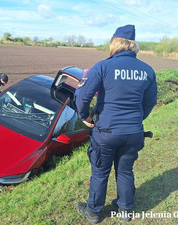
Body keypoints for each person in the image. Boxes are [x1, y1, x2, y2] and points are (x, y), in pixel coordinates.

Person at [75, 25, 157, 224]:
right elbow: (150, 102)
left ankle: (94, 212)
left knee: (100, 172)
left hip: (107, 132)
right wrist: (137, 120)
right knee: (125, 171)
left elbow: (83, 96)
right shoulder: (147, 70)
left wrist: (85, 116)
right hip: (133, 132)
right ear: (133, 46)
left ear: (115, 43)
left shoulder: (103, 66)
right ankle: (125, 211)